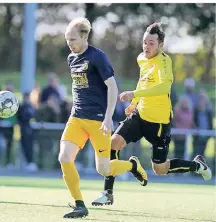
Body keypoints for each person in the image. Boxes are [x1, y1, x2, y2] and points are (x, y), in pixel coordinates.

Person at [92, 22, 212, 206]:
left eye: (151, 43)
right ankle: (108, 193)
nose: (146, 46)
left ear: (161, 45)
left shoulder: (164, 61)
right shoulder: (141, 58)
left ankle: (198, 165)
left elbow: (164, 87)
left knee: (160, 169)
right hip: (139, 116)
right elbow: (143, 81)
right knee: (113, 143)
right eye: (145, 42)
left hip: (159, 123)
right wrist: (134, 103)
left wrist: (134, 94)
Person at [59, 18, 147, 218]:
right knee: (64, 158)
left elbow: (113, 87)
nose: (69, 43)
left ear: (84, 36)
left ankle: (132, 165)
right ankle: (79, 204)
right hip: (77, 117)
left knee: (104, 169)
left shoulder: (98, 57)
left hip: (98, 121)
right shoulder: (71, 58)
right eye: (67, 40)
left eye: (72, 39)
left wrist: (108, 117)